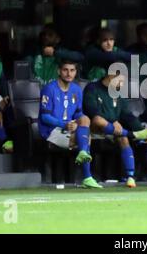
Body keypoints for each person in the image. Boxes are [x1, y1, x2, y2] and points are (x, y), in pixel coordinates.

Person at [83, 71, 147, 187]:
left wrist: (140, 129)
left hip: (111, 130)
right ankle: (132, 134)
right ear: (111, 76)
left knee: (123, 138)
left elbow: (127, 115)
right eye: (120, 81)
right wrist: (113, 120)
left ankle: (130, 176)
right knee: (98, 119)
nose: (122, 85)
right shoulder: (92, 88)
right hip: (92, 129)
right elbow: (92, 111)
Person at [38, 60, 101, 189]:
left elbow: (78, 113)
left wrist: (76, 124)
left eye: (72, 70)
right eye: (65, 70)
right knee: (85, 138)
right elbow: (45, 117)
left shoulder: (77, 90)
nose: (69, 73)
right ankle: (87, 177)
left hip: (68, 128)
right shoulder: (49, 89)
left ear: (76, 72)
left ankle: (83, 153)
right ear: (59, 71)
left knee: (85, 120)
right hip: (51, 130)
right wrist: (64, 124)